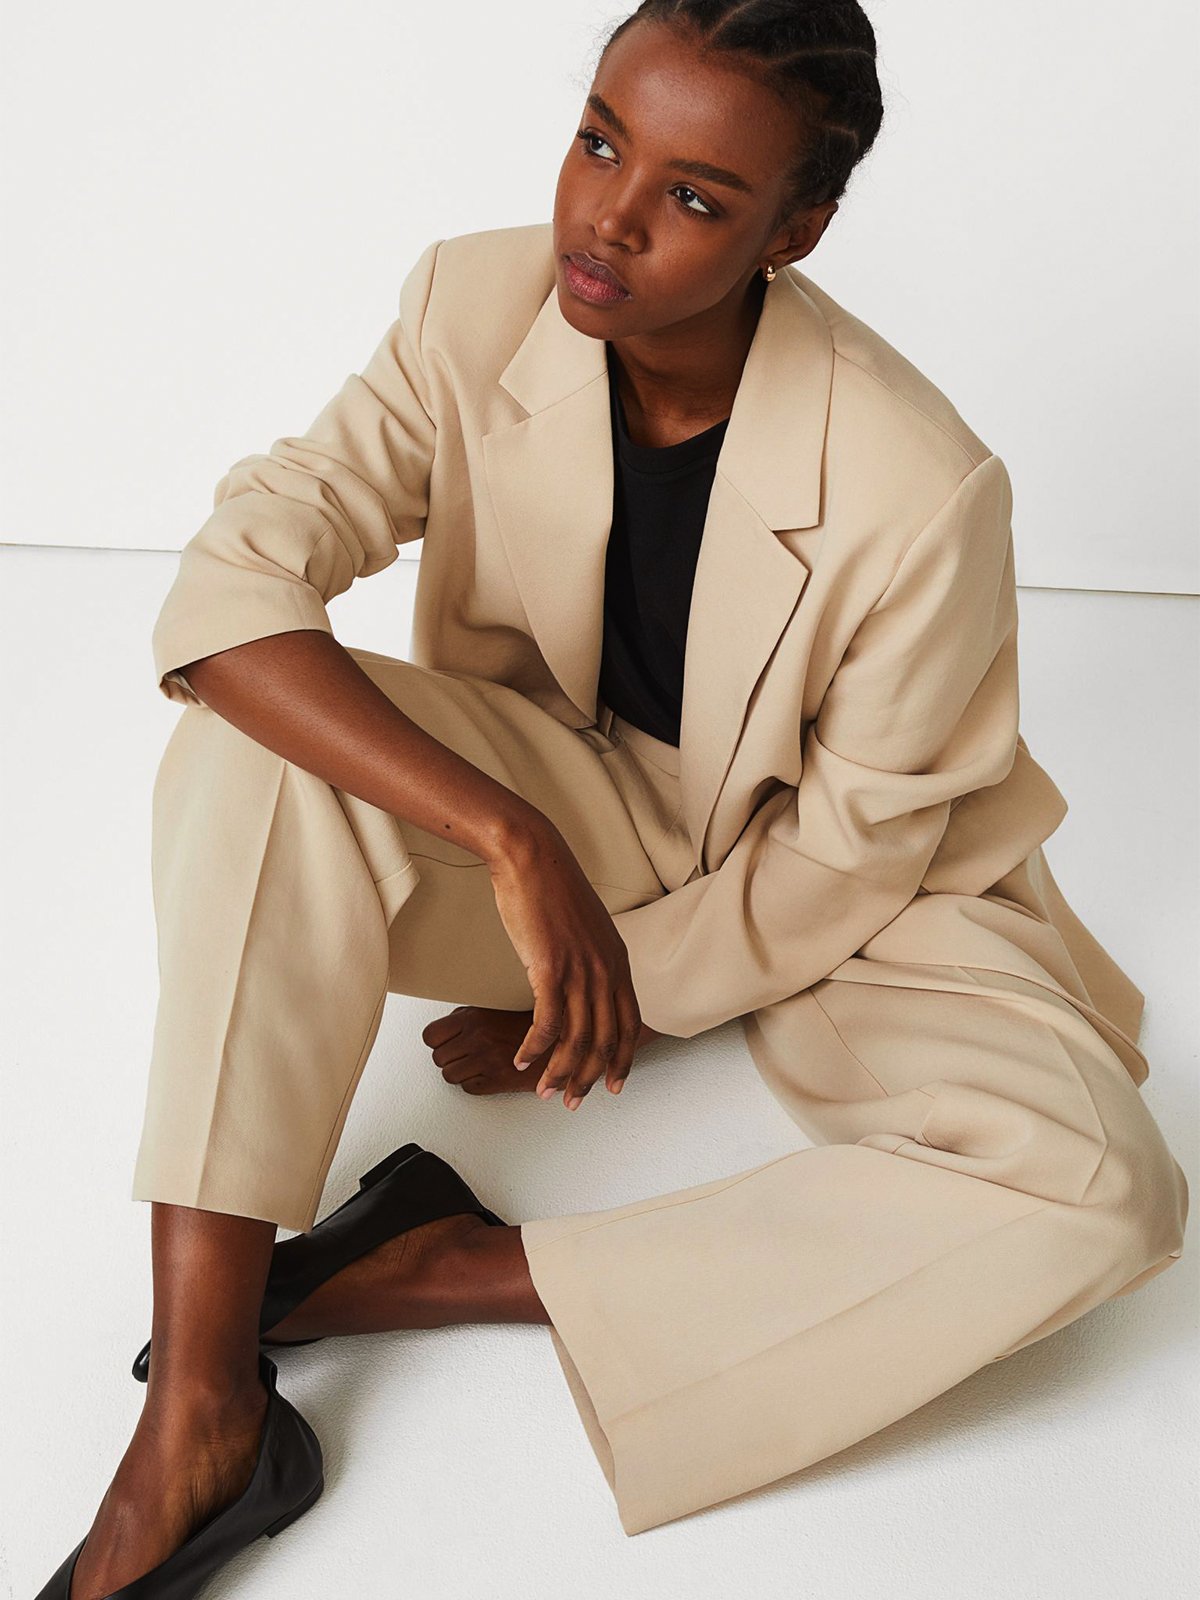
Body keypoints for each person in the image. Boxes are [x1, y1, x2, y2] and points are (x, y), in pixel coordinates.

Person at [38, 2, 1189, 1595]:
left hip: (855, 887)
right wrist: (512, 844)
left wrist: (616, 990)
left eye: (695, 197)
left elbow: (852, 853)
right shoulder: (470, 303)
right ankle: (205, 1400)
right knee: (253, 742)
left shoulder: (924, 487)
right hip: (570, 806)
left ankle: (447, 1266)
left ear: (797, 230)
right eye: (599, 141)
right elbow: (233, 588)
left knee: (1106, 1191)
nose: (608, 218)